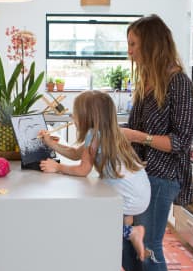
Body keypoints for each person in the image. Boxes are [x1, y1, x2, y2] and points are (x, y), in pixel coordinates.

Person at [121, 15, 193, 271]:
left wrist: (138, 136)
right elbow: (134, 134)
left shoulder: (179, 83)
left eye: (133, 45)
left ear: (150, 44)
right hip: (140, 177)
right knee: (126, 243)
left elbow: (180, 142)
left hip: (163, 177)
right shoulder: (146, 82)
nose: (130, 53)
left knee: (149, 247)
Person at [38, 90, 150, 257]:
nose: (72, 118)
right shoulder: (111, 132)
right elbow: (76, 153)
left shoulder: (93, 135)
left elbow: (83, 170)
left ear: (86, 117)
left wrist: (58, 167)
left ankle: (131, 232)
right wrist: (50, 142)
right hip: (141, 190)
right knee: (114, 208)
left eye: (75, 114)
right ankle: (128, 231)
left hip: (129, 197)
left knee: (95, 218)